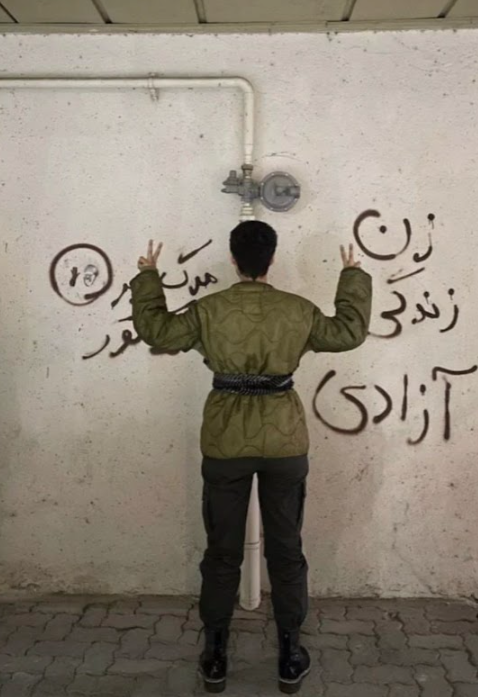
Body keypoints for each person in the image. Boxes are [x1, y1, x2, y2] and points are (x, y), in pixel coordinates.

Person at [130, 222, 372, 694]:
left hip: (225, 440)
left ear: (233, 259)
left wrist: (148, 277)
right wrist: (352, 277)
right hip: (285, 441)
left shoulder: (208, 309)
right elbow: (348, 332)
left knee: (222, 551)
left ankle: (215, 655)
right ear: (272, 259)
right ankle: (289, 655)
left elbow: (155, 329)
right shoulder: (297, 309)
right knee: (286, 549)